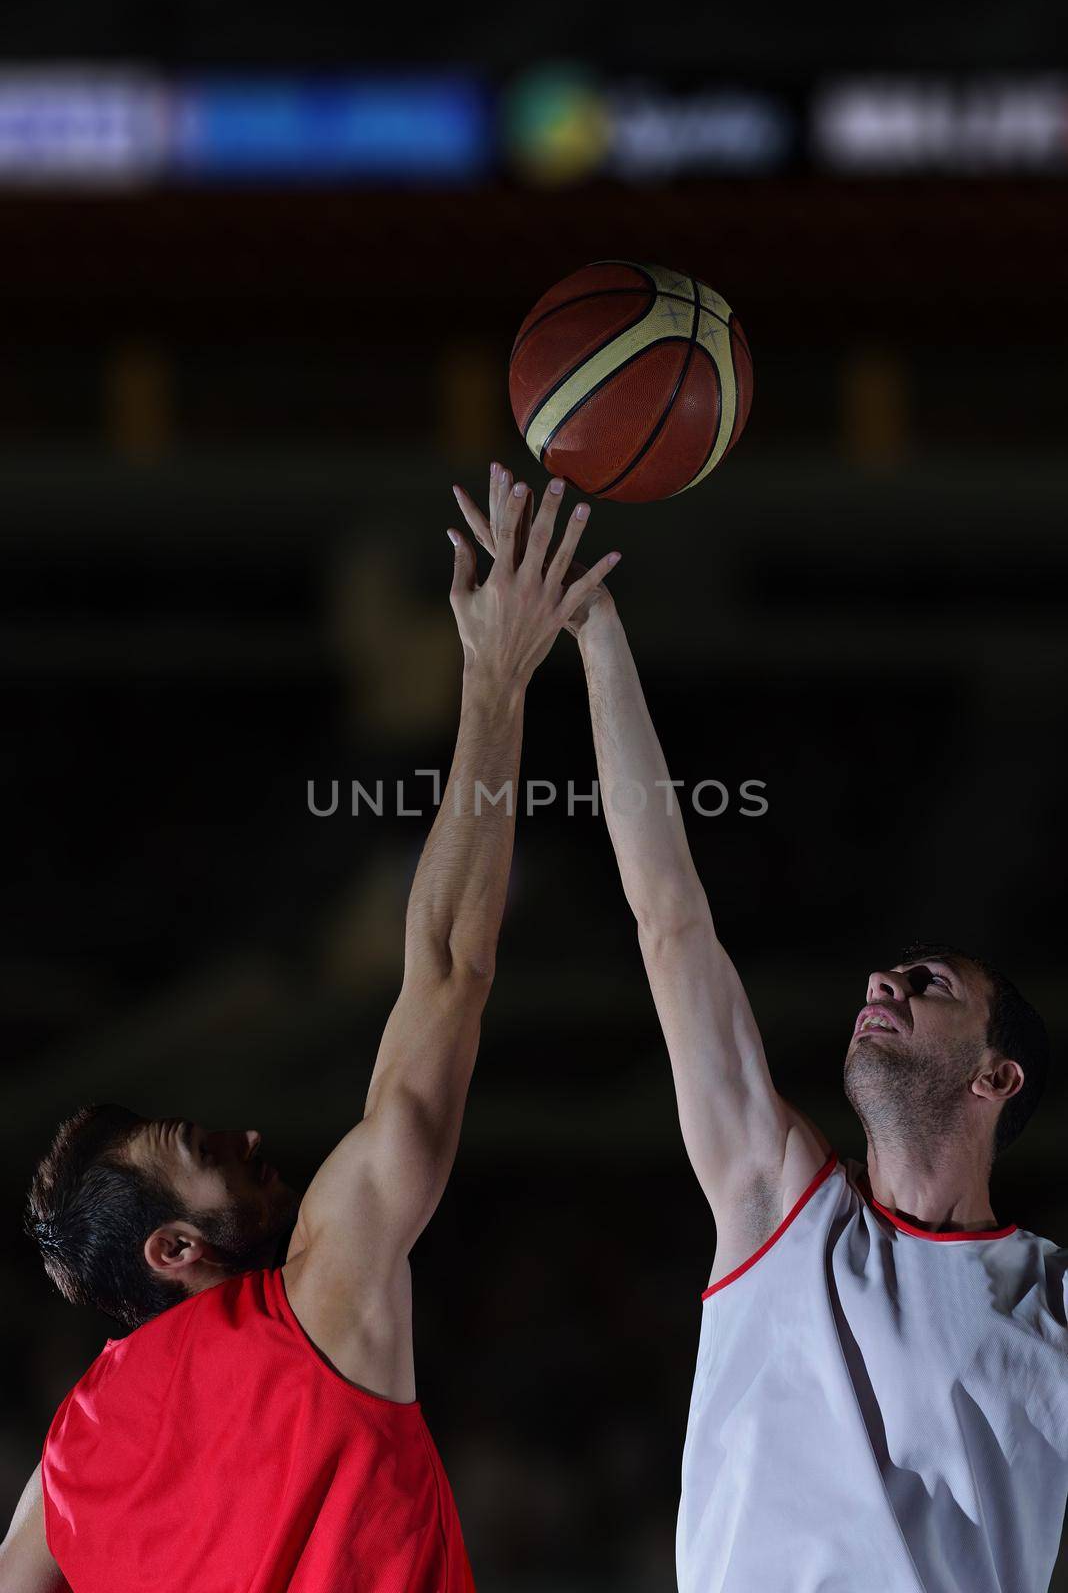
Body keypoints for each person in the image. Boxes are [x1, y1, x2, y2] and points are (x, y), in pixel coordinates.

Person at [454, 462, 1068, 1593]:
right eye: (890, 970)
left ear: (996, 1075)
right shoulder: (780, 1209)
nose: (885, 979)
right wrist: (594, 634)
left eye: (929, 982)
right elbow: (672, 921)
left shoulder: (1052, 1298)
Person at [1, 475, 618, 1593]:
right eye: (204, 1152)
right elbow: (444, 973)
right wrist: (495, 678)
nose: (242, 1136)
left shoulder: (71, 1447)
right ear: (174, 1251)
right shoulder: (319, 1297)